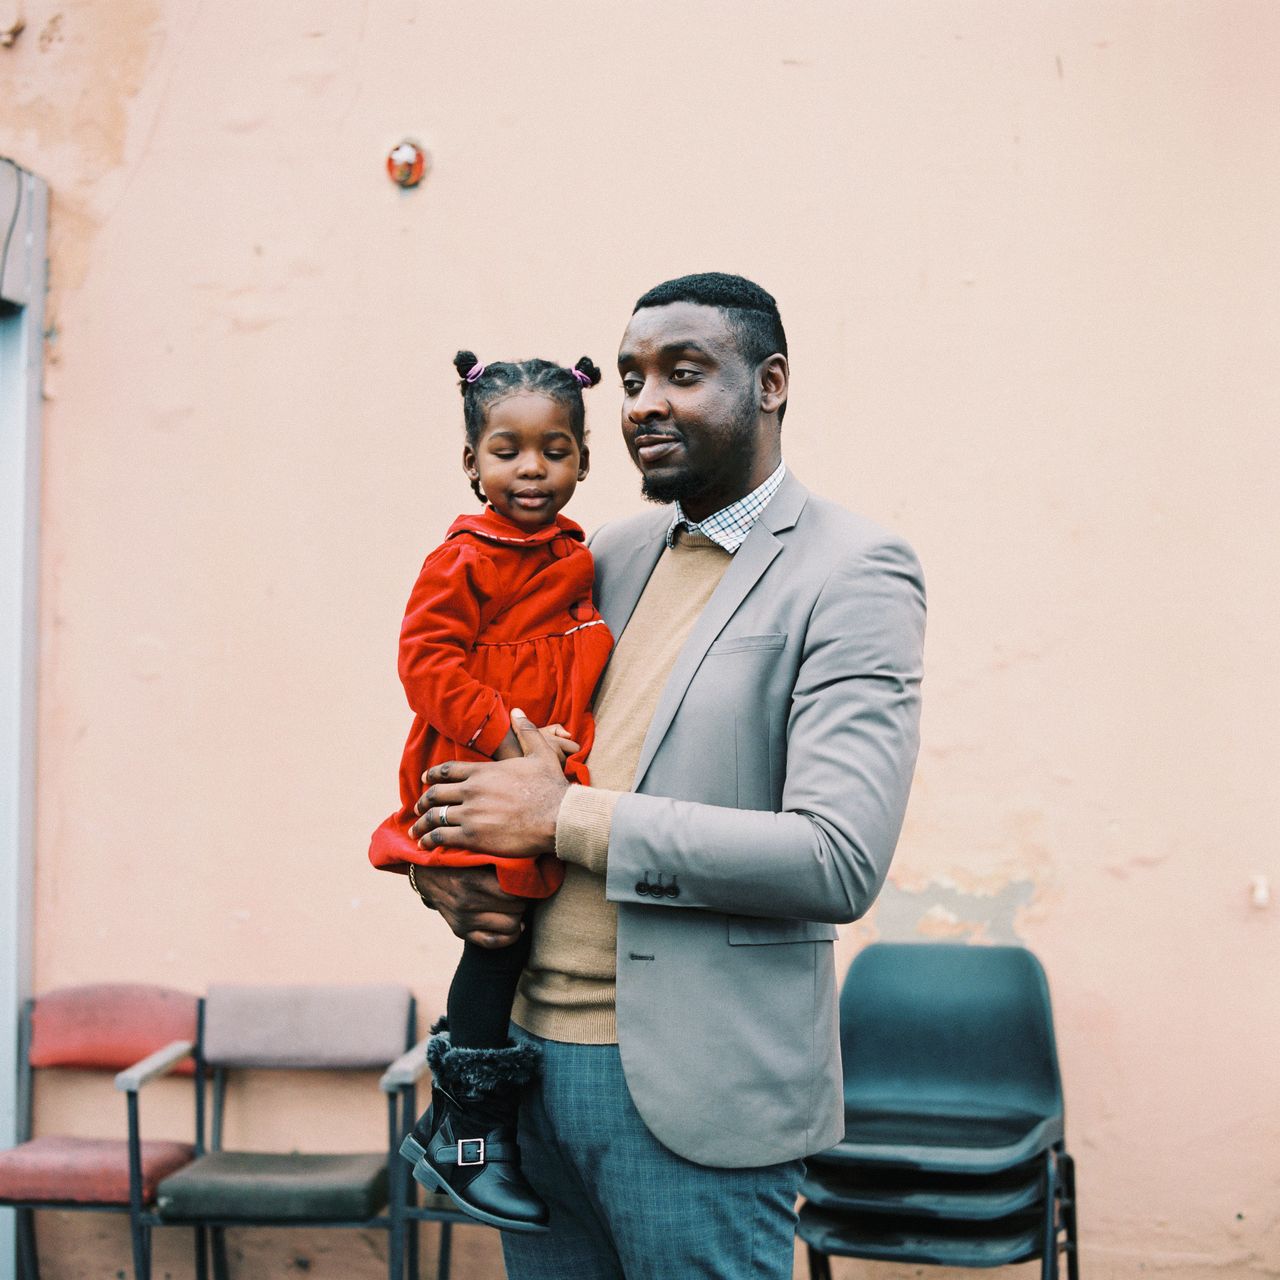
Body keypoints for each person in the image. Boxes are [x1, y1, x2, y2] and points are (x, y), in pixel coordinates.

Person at [406, 273, 926, 1280]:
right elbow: (477, 706)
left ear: (768, 382)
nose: (644, 400)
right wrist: (443, 857)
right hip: (520, 1066)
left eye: (681, 373)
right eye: (633, 376)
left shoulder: (853, 568)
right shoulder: (600, 551)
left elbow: (835, 856)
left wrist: (566, 817)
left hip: (695, 1089)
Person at [369, 350, 614, 1233]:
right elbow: (425, 662)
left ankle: (463, 1124)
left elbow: (570, 669)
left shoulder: (579, 558)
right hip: (470, 766)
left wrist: (553, 741)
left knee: (519, 925)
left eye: (555, 450)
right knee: (500, 929)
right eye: (507, 451)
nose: (532, 469)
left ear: (585, 460)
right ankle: (468, 1131)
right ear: (471, 462)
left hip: (529, 771)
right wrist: (512, 735)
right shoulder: (464, 556)